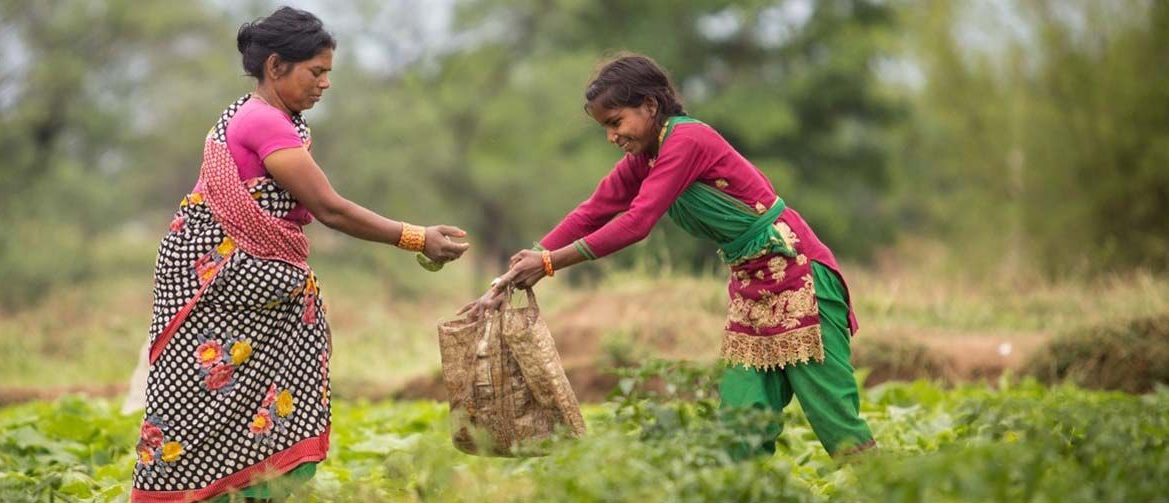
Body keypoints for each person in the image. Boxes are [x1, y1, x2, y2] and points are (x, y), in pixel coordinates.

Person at [463, 54, 874, 460]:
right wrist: (510, 277)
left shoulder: (687, 141)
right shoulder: (644, 159)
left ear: (650, 106)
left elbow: (637, 223)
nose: (612, 136)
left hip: (800, 277)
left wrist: (550, 264)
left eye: (615, 122)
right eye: (605, 127)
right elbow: (592, 212)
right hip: (751, 290)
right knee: (740, 429)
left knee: (837, 424)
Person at [132, 7, 469, 501]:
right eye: (316, 71)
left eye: (328, 72)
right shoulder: (266, 124)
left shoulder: (252, 116)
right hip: (220, 288)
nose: (325, 84)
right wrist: (417, 237)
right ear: (275, 67)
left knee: (225, 409)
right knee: (202, 408)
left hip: (227, 290)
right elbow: (330, 209)